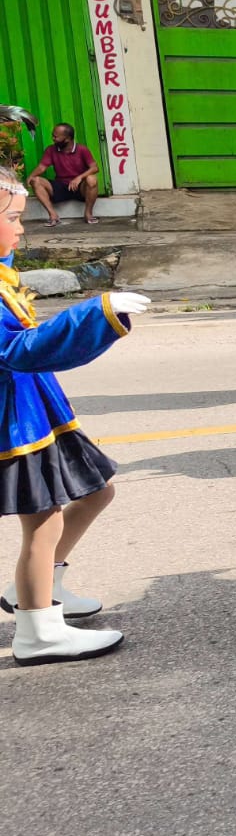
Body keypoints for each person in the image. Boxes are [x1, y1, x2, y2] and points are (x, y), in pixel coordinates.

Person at [0, 167, 150, 664]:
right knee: (41, 523)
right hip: (14, 422)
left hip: (36, 409)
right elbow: (19, 349)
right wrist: (97, 311)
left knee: (97, 489)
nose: (22, 229)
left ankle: (43, 591)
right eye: (13, 218)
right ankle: (37, 631)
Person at [31, 123, 99, 226]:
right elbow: (42, 167)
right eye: (52, 136)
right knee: (35, 180)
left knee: (92, 179)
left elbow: (94, 168)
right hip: (60, 186)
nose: (53, 138)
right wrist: (30, 177)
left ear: (67, 139)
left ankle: (88, 214)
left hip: (79, 187)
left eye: (56, 136)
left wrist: (79, 178)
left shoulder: (82, 149)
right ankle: (53, 216)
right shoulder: (51, 149)